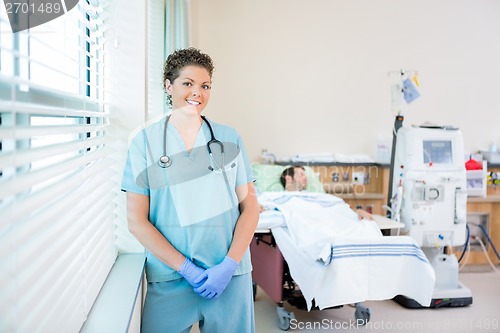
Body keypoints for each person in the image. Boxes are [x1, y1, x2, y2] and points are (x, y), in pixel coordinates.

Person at [121, 48, 259, 333]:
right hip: (171, 277)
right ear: (168, 86)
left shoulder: (229, 138)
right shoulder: (144, 143)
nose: (197, 92)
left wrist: (229, 265)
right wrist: (187, 269)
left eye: (205, 86)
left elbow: (251, 208)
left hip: (228, 275)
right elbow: (136, 221)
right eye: (188, 83)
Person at [279, 165, 373, 220]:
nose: (306, 177)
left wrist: (354, 212)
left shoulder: (312, 196)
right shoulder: (280, 198)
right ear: (288, 178)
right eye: (301, 174)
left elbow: (331, 203)